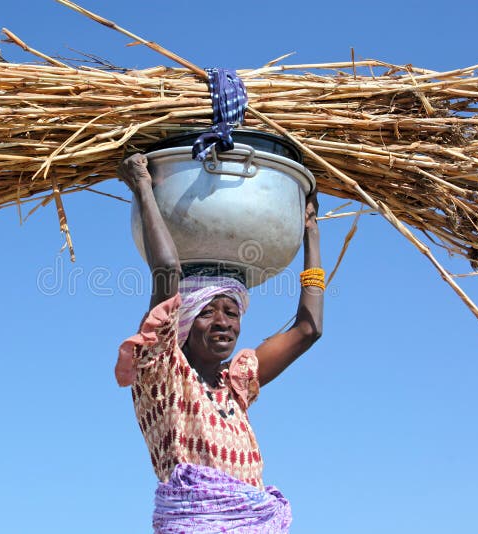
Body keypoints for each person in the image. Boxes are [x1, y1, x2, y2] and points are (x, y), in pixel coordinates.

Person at [116, 152, 324, 533]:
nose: (223, 323)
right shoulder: (163, 374)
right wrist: (144, 188)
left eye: (232, 313)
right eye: (210, 312)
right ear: (185, 319)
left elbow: (308, 330)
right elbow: (168, 270)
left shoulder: (236, 386)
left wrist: (309, 231)